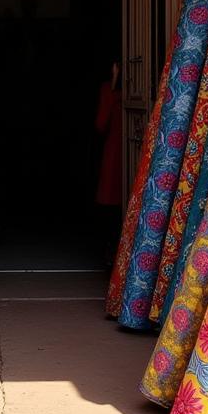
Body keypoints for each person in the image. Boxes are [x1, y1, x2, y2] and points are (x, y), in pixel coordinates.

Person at [94, 58, 123, 266]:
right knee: (110, 203)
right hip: (114, 153)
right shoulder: (107, 90)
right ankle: (108, 250)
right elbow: (101, 124)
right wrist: (113, 86)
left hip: (131, 148)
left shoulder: (137, 87)